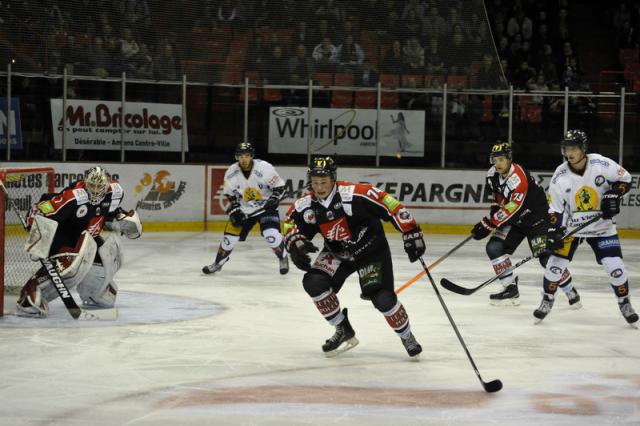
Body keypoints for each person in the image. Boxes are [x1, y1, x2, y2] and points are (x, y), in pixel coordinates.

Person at [283, 156, 426, 358]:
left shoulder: (355, 194)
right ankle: (343, 329)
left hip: (371, 252)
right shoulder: (307, 205)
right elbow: (290, 223)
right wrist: (295, 244)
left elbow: (389, 203)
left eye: (323, 182)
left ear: (333, 179)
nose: (319, 187)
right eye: (315, 182)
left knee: (383, 298)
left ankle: (407, 335)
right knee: (313, 282)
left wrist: (411, 232)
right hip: (337, 254)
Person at [534, 130, 638, 325]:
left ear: (583, 148)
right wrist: (553, 232)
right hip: (572, 229)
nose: (569, 152)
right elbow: (555, 209)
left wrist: (614, 195)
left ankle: (624, 302)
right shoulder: (560, 174)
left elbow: (625, 180)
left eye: (573, 148)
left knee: (615, 267)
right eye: (566, 148)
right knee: (554, 266)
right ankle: (547, 299)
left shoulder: (601, 164)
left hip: (602, 228)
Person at [16, 166, 142, 318]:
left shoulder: (115, 193)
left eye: (99, 186)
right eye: (92, 185)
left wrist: (120, 218)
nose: (95, 190)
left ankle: (93, 294)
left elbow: (109, 212)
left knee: (103, 259)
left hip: (84, 235)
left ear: (107, 185)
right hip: (62, 232)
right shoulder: (74, 197)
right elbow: (43, 208)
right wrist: (33, 223)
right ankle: (28, 295)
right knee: (69, 262)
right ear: (85, 183)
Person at [471, 142, 577, 306]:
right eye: (495, 160)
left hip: (537, 219)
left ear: (509, 159)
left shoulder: (518, 177)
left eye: (501, 159)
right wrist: (494, 209)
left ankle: (570, 290)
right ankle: (510, 288)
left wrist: (490, 223)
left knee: (545, 258)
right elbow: (498, 197)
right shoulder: (492, 174)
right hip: (515, 220)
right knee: (494, 247)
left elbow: (514, 206)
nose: (497, 163)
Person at [202, 142, 289, 275]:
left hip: (266, 207)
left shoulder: (264, 168)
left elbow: (280, 188)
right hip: (245, 208)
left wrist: (273, 199)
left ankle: (282, 258)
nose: (244, 159)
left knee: (270, 234)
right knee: (228, 239)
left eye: (247, 156)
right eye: (241, 156)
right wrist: (235, 209)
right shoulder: (231, 171)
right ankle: (218, 263)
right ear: (237, 157)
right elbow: (230, 194)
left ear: (251, 156)